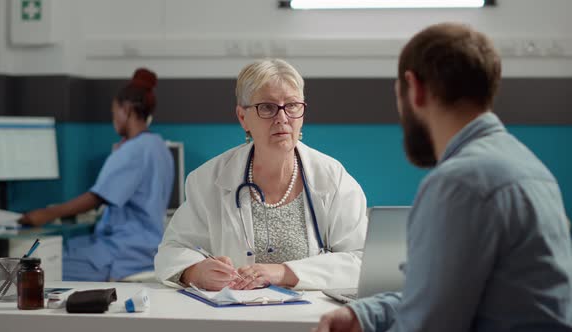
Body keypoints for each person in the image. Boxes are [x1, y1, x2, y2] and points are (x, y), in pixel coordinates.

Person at [317, 23, 572, 332]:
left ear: (415, 89)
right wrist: (367, 314)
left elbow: (428, 325)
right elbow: (445, 295)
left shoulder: (460, 183)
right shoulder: (530, 169)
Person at [155, 58, 368, 291]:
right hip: (235, 319)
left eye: (292, 105)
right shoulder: (208, 180)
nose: (283, 118)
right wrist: (194, 271)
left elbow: (362, 259)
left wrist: (283, 272)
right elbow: (170, 251)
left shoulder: (332, 178)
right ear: (243, 117)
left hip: (308, 319)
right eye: (267, 107)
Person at [20, 68, 175, 282]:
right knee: (72, 247)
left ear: (127, 110)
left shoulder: (133, 150)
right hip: (147, 249)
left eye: (114, 114)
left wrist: (46, 214)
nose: (114, 121)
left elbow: (96, 198)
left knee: (40, 267)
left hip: (123, 254)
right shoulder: (159, 146)